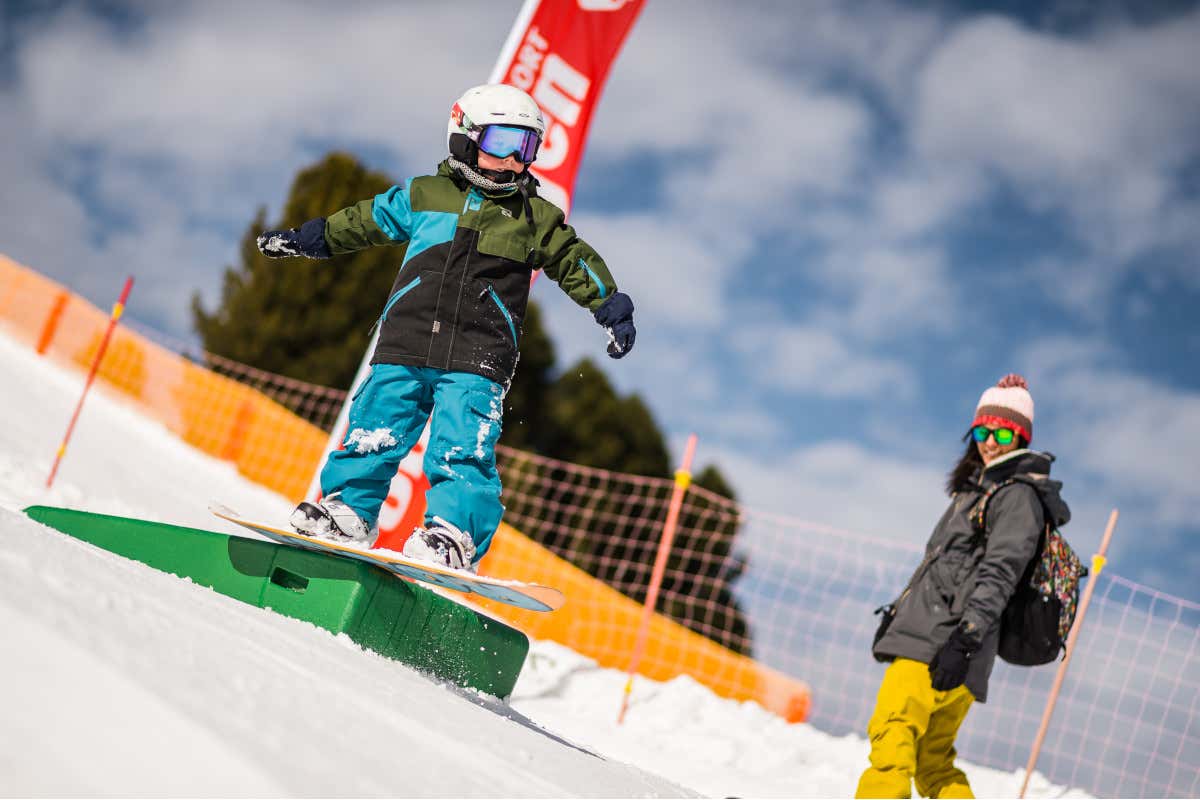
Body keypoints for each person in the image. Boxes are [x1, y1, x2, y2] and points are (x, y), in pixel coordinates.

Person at [254, 84, 636, 571]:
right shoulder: (424, 195)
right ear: (465, 137)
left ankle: (454, 533)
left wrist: (611, 306)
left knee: (463, 444)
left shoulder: (534, 218)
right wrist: (307, 239)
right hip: (405, 341)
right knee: (375, 427)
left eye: (528, 148)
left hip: (479, 354)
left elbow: (573, 259)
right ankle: (348, 510)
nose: (516, 161)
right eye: (504, 143)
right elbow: (362, 221)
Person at [855, 374, 1070, 799]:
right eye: (982, 430)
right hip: (944, 643)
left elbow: (1000, 573)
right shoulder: (981, 490)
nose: (990, 441)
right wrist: (899, 616)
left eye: (1003, 432)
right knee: (933, 764)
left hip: (946, 642)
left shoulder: (1015, 496)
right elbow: (942, 569)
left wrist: (966, 639)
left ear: (1022, 436)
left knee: (893, 735)